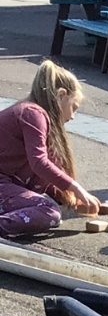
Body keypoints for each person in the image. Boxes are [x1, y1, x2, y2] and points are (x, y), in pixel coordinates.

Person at [0, 61, 100, 238]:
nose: (73, 116)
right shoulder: (32, 113)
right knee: (48, 211)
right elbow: (39, 162)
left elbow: (41, 174)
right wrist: (76, 188)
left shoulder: (32, 112)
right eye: (74, 107)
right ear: (61, 95)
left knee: (46, 202)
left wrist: (68, 198)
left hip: (5, 182)